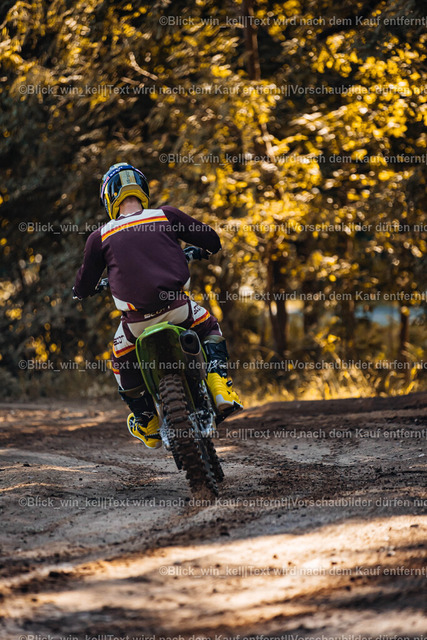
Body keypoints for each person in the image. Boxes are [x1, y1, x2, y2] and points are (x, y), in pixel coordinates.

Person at [73, 162, 242, 449]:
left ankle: (147, 421)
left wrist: (82, 292)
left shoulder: (99, 237)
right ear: (142, 189)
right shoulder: (166, 215)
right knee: (210, 327)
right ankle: (219, 385)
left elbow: (84, 285)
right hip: (179, 311)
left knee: (119, 359)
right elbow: (212, 240)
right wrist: (202, 249)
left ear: (109, 199)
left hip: (136, 325)